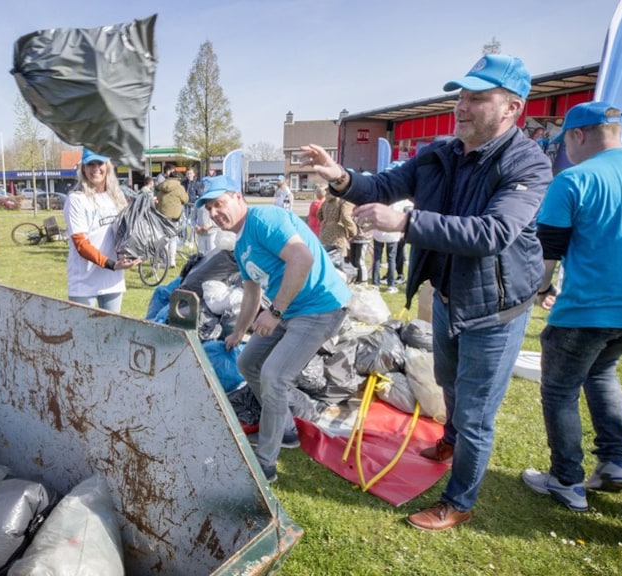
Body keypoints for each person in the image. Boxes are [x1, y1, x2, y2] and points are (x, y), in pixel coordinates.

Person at [299, 54, 553, 531]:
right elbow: (382, 184)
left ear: (512, 108)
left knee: (477, 410)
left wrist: (407, 222)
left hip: (495, 310)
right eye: (460, 95)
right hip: (448, 297)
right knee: (451, 385)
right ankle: (452, 439)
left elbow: (492, 232)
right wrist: (340, 177)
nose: (462, 106)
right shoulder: (440, 153)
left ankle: (459, 501)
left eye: (478, 98)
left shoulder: (528, 164)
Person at [520, 102, 622, 512]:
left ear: (578, 135)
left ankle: (566, 480)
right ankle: (615, 462)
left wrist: (539, 290)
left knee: (560, 390)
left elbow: (548, 251)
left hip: (588, 310)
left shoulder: (572, 180)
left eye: (565, 141)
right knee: (602, 371)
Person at [197, 176, 351, 483]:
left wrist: (275, 312)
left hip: (321, 306)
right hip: (290, 310)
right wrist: (239, 332)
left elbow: (302, 258)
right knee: (248, 362)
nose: (215, 213)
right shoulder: (241, 246)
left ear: (238, 197)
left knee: (274, 376)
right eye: (209, 208)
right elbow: (252, 293)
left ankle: (265, 464)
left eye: (219, 203)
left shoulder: (264, 217)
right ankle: (287, 431)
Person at [64, 148, 140, 312]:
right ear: (83, 168)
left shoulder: (116, 196)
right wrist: (111, 264)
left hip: (112, 281)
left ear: (108, 166)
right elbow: (81, 244)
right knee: (85, 336)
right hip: (83, 283)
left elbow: (126, 233)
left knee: (112, 335)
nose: (96, 168)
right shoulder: (77, 199)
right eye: (90, 164)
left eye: (100, 163)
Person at [154, 163, 188, 264]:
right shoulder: (179, 187)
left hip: (162, 216)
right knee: (173, 239)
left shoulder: (161, 186)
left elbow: (158, 198)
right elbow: (186, 200)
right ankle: (172, 260)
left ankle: (165, 261)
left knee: (164, 239)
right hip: (174, 217)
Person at [318, 188, 357, 258]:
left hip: (324, 232)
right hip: (337, 233)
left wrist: (326, 221)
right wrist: (352, 231)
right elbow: (345, 216)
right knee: (338, 261)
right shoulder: (345, 201)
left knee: (325, 259)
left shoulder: (326, 201)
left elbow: (319, 214)